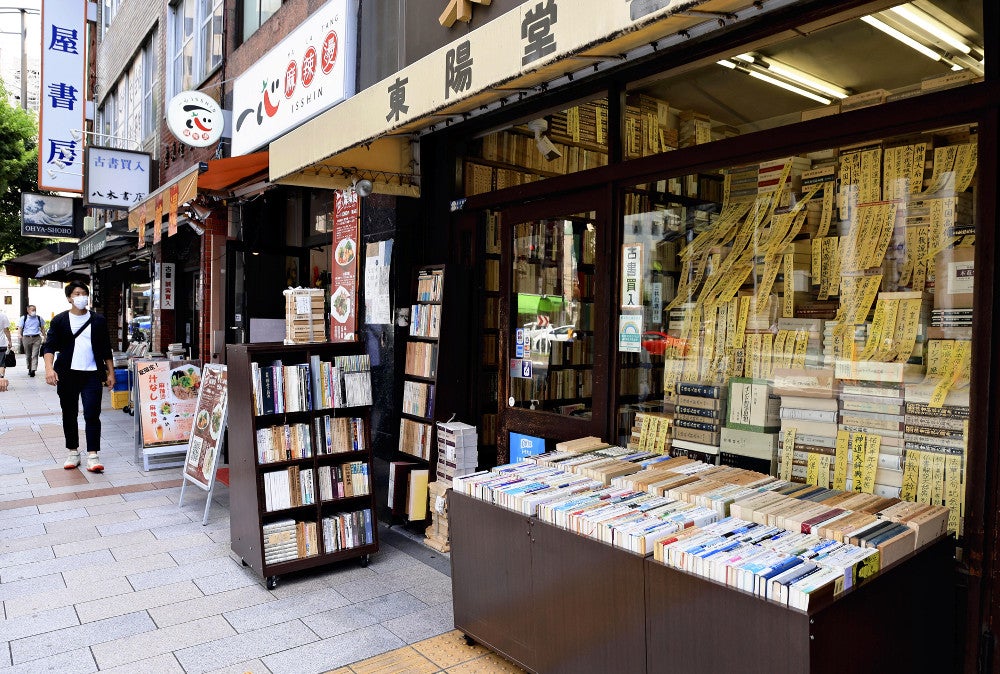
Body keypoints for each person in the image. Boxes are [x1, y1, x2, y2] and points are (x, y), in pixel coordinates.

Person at [42, 282, 115, 473]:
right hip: (67, 375)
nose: (81, 296)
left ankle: (93, 455)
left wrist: (111, 373)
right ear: (69, 298)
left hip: (92, 374)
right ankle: (73, 452)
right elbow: (49, 347)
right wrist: (49, 369)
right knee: (69, 413)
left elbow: (106, 348)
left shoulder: (98, 320)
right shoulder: (59, 320)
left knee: (92, 413)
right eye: (77, 293)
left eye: (84, 293)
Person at [17, 305, 46, 377]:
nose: (34, 311)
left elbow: (42, 328)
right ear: (28, 310)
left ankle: (33, 370)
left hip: (37, 338)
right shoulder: (24, 318)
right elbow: (20, 328)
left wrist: (45, 336)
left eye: (35, 310)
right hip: (26, 338)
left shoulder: (39, 318)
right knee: (28, 355)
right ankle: (29, 368)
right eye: (32, 310)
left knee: (35, 354)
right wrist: (19, 334)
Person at [0, 311, 10, 378]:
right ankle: (1, 380)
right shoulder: (3, 316)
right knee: (1, 364)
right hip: (1, 343)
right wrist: (10, 341)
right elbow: (6, 330)